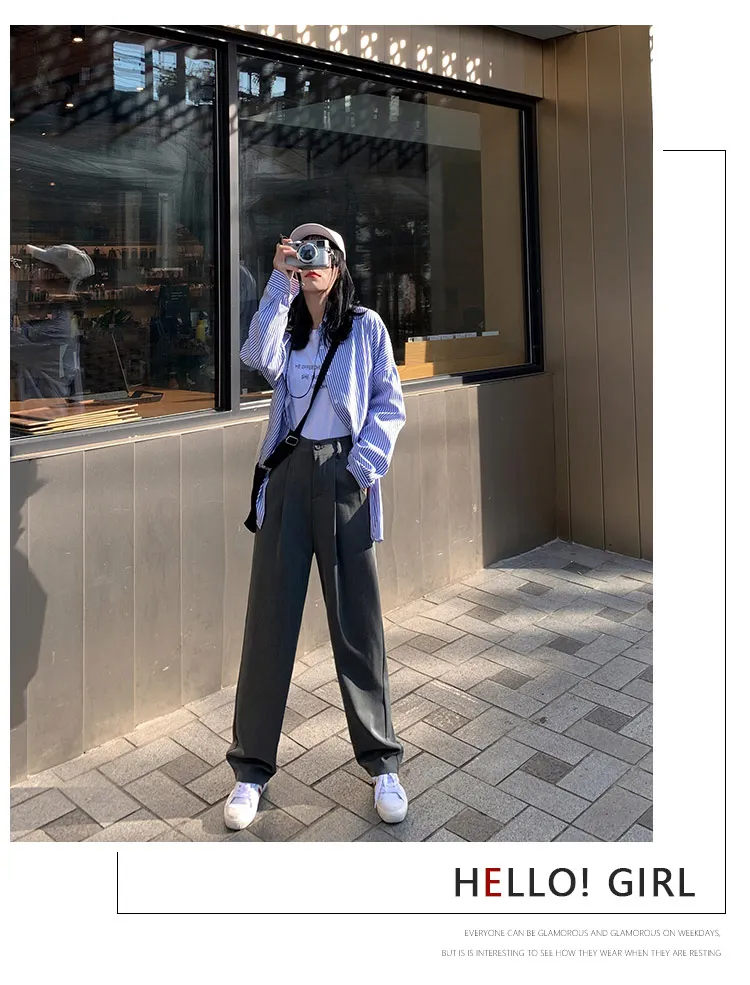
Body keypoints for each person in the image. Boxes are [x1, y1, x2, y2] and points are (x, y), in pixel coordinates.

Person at [224, 222, 409, 831]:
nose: (311, 262)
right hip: (287, 476)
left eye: (320, 253)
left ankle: (382, 763)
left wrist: (363, 466)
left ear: (339, 264)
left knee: (358, 622)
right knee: (269, 621)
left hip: (344, 474)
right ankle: (250, 770)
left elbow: (389, 402)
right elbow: (256, 357)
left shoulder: (366, 326)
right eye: (302, 253)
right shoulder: (285, 327)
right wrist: (278, 283)